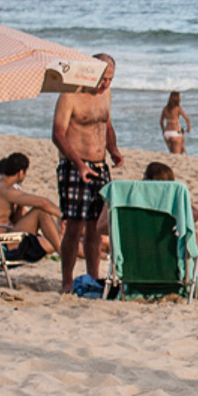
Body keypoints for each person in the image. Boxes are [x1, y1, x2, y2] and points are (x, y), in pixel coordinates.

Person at [52, 53, 122, 293]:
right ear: (90, 73)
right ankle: (67, 281)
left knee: (96, 225)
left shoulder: (106, 95)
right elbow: (58, 134)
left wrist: (113, 150)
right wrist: (80, 164)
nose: (105, 84)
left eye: (110, 79)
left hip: (100, 166)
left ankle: (93, 276)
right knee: (74, 226)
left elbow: (106, 124)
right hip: (74, 166)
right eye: (103, 79)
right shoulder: (70, 95)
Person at [0, 152, 61, 260]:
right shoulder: (6, 190)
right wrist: (64, 216)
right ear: (21, 173)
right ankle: (63, 252)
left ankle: (63, 249)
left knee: (56, 241)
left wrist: (19, 207)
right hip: (0, 243)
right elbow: (43, 202)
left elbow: (15, 220)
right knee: (40, 212)